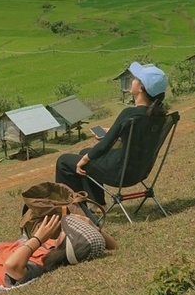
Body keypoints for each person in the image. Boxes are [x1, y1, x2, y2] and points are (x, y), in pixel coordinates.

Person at [55, 61, 168, 209]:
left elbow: (104, 146)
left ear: (141, 88)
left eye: (135, 78)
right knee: (85, 151)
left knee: (64, 161)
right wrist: (119, 132)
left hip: (119, 172)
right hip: (140, 171)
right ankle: (97, 204)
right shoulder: (159, 116)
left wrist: (83, 160)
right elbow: (141, 141)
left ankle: (73, 209)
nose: (132, 80)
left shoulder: (130, 114)